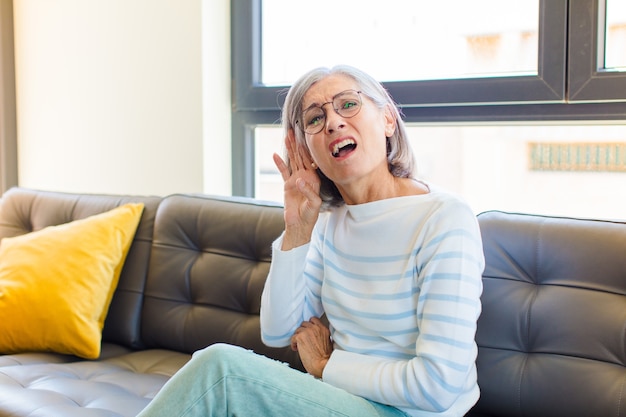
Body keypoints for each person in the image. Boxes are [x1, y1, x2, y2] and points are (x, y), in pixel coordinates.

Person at [137, 65, 484, 417]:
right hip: (339, 400)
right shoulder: (328, 223)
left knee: (221, 371)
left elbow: (438, 386)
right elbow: (278, 331)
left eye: (348, 104)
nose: (333, 122)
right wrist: (298, 230)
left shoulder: (443, 218)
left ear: (388, 120)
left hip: (409, 413)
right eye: (315, 119)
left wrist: (324, 365)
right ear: (308, 152)